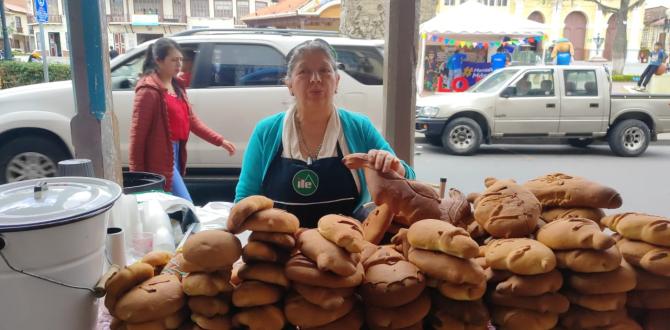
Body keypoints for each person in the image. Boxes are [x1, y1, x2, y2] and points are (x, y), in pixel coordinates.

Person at [234, 39, 415, 228]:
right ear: (289, 84)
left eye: (324, 70)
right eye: (304, 71)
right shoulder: (266, 131)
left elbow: (409, 180)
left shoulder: (359, 127)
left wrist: (395, 167)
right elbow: (244, 199)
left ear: (336, 81)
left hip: (348, 247)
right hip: (280, 250)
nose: (315, 79)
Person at [129, 38, 236, 202]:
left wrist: (220, 141)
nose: (179, 64)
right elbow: (137, 136)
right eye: (173, 60)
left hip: (176, 152)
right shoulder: (148, 91)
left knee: (170, 206)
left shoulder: (177, 85)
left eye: (180, 59)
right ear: (158, 60)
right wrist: (137, 175)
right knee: (185, 204)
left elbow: (192, 121)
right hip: (160, 156)